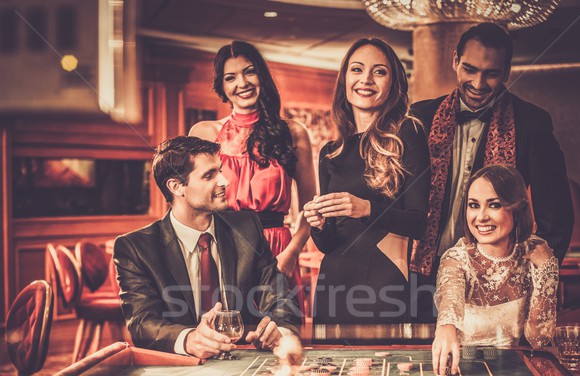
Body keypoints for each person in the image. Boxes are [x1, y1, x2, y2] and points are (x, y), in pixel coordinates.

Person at [410, 22, 572, 320]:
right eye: (470, 69)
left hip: (495, 284)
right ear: (455, 61)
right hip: (421, 274)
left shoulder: (532, 123)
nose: (478, 82)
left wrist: (532, 281)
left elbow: (557, 219)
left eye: (491, 73)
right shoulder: (420, 116)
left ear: (507, 72)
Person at [113, 136, 300, 359]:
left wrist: (279, 330)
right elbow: (143, 323)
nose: (225, 181)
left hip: (239, 357)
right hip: (179, 366)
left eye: (220, 171)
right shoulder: (135, 248)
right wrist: (189, 339)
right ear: (176, 186)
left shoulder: (247, 227)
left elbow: (279, 295)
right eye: (209, 175)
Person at [303, 38, 431, 324]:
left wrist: (367, 209)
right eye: (357, 70)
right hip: (332, 283)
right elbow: (327, 243)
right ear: (344, 79)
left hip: (383, 283)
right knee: (328, 369)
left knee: (381, 369)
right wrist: (318, 224)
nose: (366, 80)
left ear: (394, 82)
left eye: (379, 72)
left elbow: (419, 223)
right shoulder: (330, 152)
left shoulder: (408, 133)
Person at [189, 40, 316, 314]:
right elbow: (191, 203)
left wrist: (292, 254)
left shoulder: (293, 132)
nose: (242, 83)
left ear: (262, 76)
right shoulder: (203, 133)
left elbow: (310, 206)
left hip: (277, 249)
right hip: (222, 245)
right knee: (224, 341)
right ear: (222, 87)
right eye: (230, 77)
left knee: (281, 337)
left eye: (249, 72)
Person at [432, 165, 558, 376]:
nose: (481, 217)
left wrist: (547, 271)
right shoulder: (456, 258)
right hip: (466, 370)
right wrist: (445, 328)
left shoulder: (535, 253)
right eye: (473, 205)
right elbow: (449, 305)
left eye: (494, 205)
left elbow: (538, 339)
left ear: (517, 208)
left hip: (514, 371)